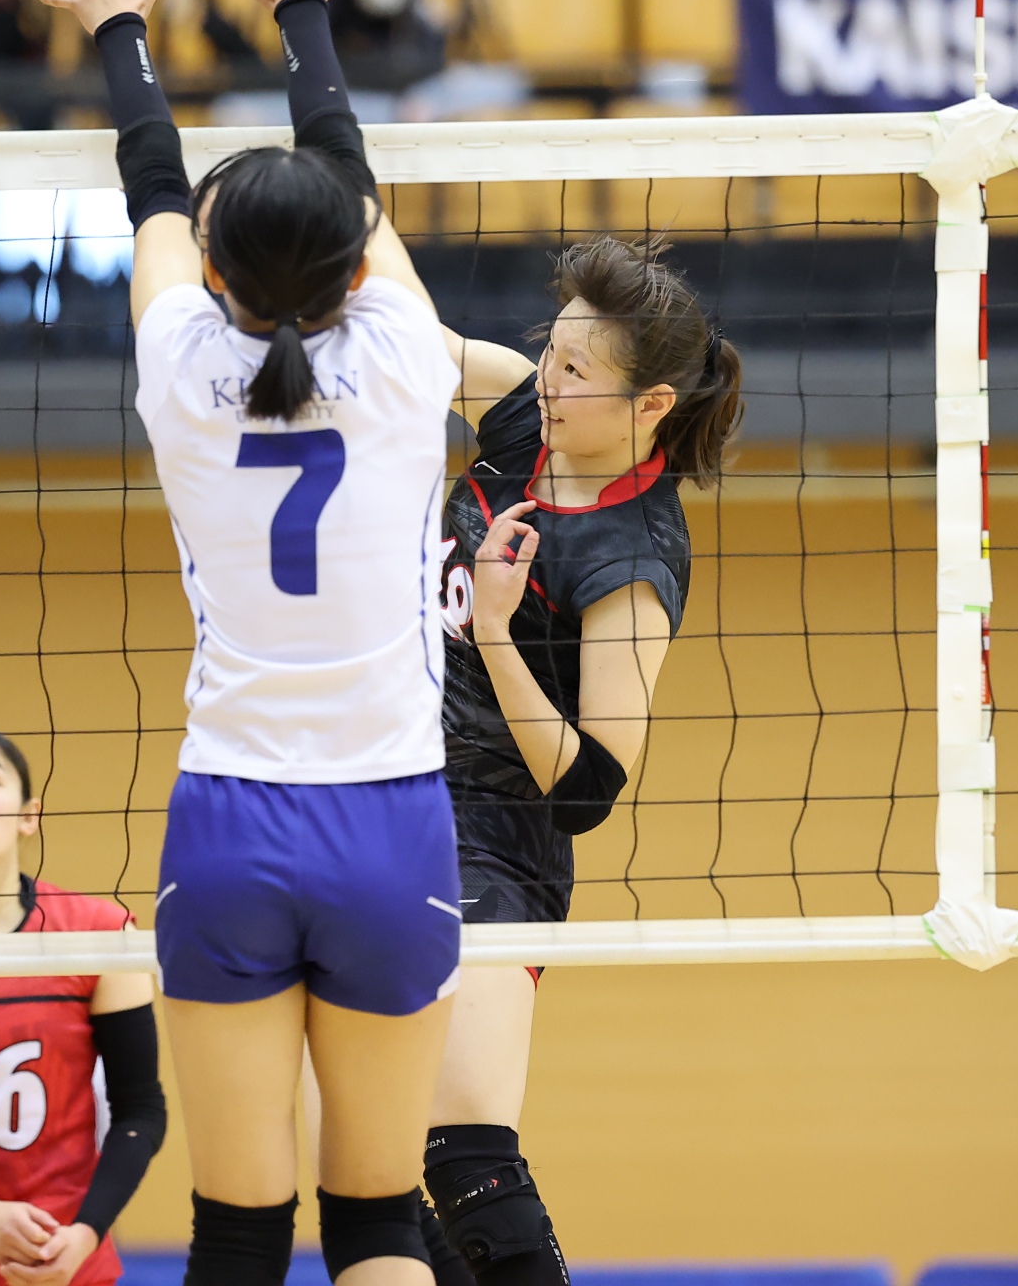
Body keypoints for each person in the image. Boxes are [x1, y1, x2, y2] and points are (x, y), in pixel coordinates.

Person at [32, 0, 463, 1286]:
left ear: (214, 273)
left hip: (231, 823)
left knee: (234, 1231)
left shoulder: (180, 365)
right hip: (392, 822)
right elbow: (350, 176)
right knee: (380, 1222)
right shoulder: (411, 361)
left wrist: (121, 29)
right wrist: (304, 11)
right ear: (353, 266)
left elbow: (152, 191)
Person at [414, 237, 742, 1286]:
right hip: (389, 800)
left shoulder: (631, 558)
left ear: (651, 405)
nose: (547, 381)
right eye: (548, 353)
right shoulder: (526, 419)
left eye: (574, 370)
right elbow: (410, 341)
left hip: (497, 841)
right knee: (368, 1171)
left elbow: (590, 790)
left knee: (463, 1156)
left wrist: (499, 631)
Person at [0, 728, 167, 1285]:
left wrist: (86, 1234)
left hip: (68, 1262)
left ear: (29, 815)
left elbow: (140, 1111)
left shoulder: (98, 931)